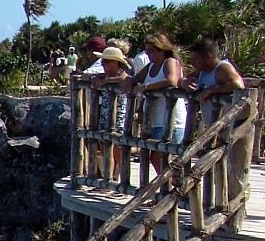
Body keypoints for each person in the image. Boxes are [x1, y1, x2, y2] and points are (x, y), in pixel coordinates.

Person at [128, 33, 187, 177]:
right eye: (146, 51)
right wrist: (128, 80)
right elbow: (136, 78)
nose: (148, 55)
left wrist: (147, 87)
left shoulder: (170, 62)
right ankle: (168, 190)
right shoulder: (150, 66)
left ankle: (174, 189)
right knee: (155, 157)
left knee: (159, 157)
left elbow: (172, 80)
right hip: (155, 121)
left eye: (151, 51)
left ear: (162, 49)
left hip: (170, 121)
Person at [91, 46, 134, 179]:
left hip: (119, 116)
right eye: (103, 62)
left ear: (116, 62)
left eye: (106, 62)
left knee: (118, 149)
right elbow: (87, 75)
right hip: (106, 115)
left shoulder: (120, 75)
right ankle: (109, 177)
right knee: (105, 146)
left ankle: (121, 179)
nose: (103, 65)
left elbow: (125, 78)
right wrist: (96, 77)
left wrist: (106, 81)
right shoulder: (106, 75)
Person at [183, 38, 245, 128]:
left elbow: (238, 85)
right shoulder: (202, 71)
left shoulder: (222, 69)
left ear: (208, 57)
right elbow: (183, 78)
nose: (192, 63)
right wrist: (184, 83)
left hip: (229, 127)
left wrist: (211, 90)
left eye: (195, 59)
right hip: (213, 127)